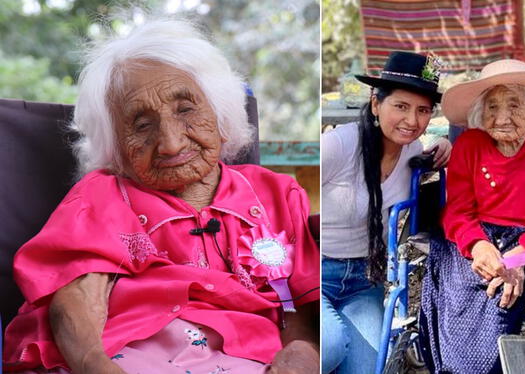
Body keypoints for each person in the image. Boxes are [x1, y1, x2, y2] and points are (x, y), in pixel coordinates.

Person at [3, 18, 319, 374]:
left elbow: (301, 304)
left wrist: (302, 355)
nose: (170, 143)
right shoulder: (103, 195)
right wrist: (97, 366)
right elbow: (77, 297)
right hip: (129, 354)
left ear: (221, 113)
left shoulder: (275, 194)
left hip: (249, 358)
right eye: (141, 125)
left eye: (186, 110)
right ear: (116, 147)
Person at [418, 59, 525, 373]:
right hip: (469, 237)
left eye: (514, 105)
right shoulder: (469, 144)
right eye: (492, 107)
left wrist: (518, 259)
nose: (501, 117)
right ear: (480, 113)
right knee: (458, 294)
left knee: (499, 296)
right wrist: (477, 245)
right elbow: (458, 211)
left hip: (524, 242)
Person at [321, 51, 452, 374]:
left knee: (368, 368)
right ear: (376, 104)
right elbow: (286, 200)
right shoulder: (338, 146)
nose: (412, 120)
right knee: (331, 346)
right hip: (315, 272)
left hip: (365, 280)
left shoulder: (413, 152)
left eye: (423, 111)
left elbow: (429, 148)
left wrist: (445, 143)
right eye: (401, 106)